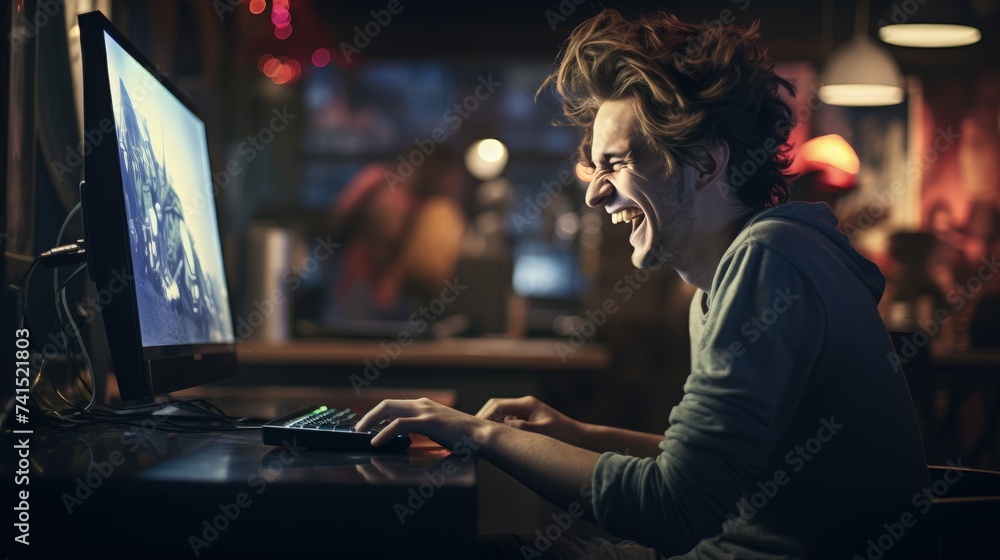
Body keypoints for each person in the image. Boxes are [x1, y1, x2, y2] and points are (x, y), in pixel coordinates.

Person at [354, 10, 930, 559]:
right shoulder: (741, 272)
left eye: (618, 163)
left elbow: (675, 508)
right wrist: (582, 433)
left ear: (705, 163)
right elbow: (706, 474)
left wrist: (479, 436)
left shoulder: (770, 261)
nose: (594, 193)